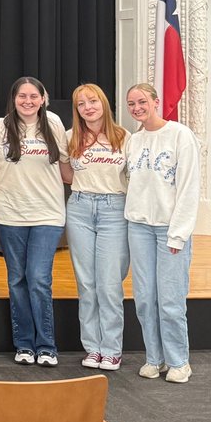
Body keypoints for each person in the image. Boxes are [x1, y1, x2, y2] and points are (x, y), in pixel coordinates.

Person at [0, 76, 69, 367]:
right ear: (14, 99)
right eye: (22, 96)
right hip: (10, 214)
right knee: (17, 280)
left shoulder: (55, 124)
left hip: (47, 214)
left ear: (43, 98)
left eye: (33, 96)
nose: (28, 101)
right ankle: (24, 344)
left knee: (38, 279)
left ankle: (46, 345)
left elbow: (67, 165)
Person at [124, 82, 200, 384]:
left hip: (169, 229)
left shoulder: (180, 135)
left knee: (170, 299)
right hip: (139, 227)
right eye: (131, 104)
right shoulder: (134, 140)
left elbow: (189, 187)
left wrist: (179, 233)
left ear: (155, 102)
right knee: (144, 298)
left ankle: (179, 360)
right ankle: (154, 358)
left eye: (142, 101)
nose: (137, 108)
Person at [64, 83, 131, 372]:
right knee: (86, 283)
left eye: (92, 101)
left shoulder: (125, 137)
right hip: (79, 208)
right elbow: (65, 173)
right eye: (81, 104)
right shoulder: (70, 138)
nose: (88, 107)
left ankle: (112, 349)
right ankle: (92, 347)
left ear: (103, 103)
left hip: (114, 209)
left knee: (108, 283)